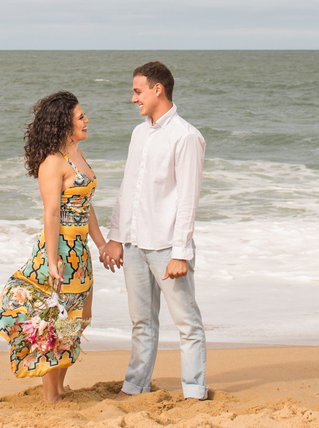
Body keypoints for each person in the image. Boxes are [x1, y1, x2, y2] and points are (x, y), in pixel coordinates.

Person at [0, 91, 108, 402]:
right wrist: (53, 261)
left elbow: (86, 205)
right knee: (55, 321)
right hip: (59, 251)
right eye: (81, 116)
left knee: (78, 319)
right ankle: (50, 395)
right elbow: (51, 213)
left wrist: (102, 244)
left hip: (80, 252)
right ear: (64, 123)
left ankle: (62, 385)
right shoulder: (53, 162)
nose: (87, 120)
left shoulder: (78, 156)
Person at [100, 61, 207, 401]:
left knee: (187, 324)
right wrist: (116, 237)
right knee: (141, 323)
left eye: (137, 91)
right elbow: (127, 189)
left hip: (165, 246)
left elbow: (188, 199)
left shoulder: (187, 137)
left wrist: (181, 252)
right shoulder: (139, 133)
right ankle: (135, 386)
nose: (134, 99)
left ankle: (194, 391)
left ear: (157, 89)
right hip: (133, 244)